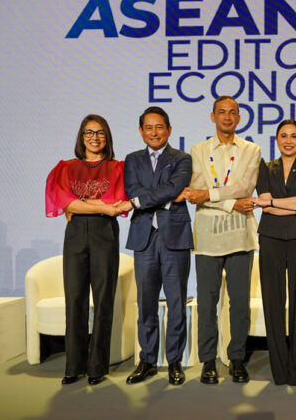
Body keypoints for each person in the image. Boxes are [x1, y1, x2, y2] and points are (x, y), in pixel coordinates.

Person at [45, 114, 131, 385]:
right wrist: (99, 205)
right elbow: (66, 203)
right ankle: (74, 366)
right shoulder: (66, 167)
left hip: (104, 234)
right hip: (75, 236)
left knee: (103, 300)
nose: (95, 138)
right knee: (75, 299)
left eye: (100, 133)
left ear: (107, 137)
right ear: (81, 137)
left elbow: (116, 202)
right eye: (89, 132)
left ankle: (97, 366)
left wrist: (82, 202)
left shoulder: (118, 168)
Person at [184, 95, 260, 384]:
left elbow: (245, 187)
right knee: (207, 302)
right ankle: (208, 360)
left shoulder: (251, 149)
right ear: (212, 116)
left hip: (241, 235)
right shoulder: (198, 150)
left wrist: (211, 195)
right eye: (222, 112)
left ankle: (236, 358)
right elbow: (195, 192)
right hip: (207, 237)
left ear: (239, 118)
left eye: (232, 112)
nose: (227, 117)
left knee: (239, 303)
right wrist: (231, 203)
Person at [124, 106, 193, 386]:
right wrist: (164, 196)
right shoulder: (132, 160)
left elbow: (175, 187)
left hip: (174, 236)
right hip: (144, 237)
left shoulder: (182, 158)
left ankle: (174, 361)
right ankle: (148, 361)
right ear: (141, 131)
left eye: (159, 127)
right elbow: (133, 190)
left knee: (176, 302)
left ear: (169, 130)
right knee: (146, 303)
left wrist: (145, 200)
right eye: (149, 128)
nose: (154, 132)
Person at [249, 119, 296, 386]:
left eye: (293, 136)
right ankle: (279, 370)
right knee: (273, 302)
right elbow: (265, 207)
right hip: (271, 239)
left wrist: (277, 203)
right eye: (283, 136)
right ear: (276, 140)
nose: (288, 141)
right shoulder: (265, 167)